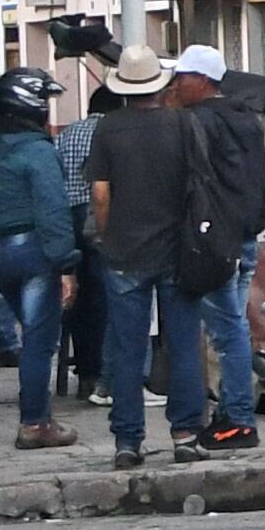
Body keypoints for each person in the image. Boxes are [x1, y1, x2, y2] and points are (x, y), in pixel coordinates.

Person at [82, 46, 214, 469]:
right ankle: (186, 433)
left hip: (124, 251)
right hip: (177, 250)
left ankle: (128, 440)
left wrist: (107, 234)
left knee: (126, 349)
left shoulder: (108, 130)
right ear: (159, 85)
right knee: (183, 345)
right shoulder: (182, 124)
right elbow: (201, 183)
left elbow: (100, 193)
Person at [169, 45, 265, 454]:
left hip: (216, 241)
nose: (176, 85)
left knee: (228, 333)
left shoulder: (198, 122)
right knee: (233, 330)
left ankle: (239, 419)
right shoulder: (246, 119)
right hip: (244, 236)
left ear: (203, 81)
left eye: (182, 77)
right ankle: (232, 410)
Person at [0, 68, 76, 448]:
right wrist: (66, 263)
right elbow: (53, 210)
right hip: (34, 252)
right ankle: (35, 422)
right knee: (39, 341)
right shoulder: (37, 151)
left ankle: (39, 417)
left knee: (29, 335)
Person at [52, 79, 119, 406]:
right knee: (106, 298)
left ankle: (86, 371)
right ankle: (104, 375)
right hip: (96, 217)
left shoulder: (66, 134)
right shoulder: (111, 133)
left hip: (66, 218)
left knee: (79, 300)